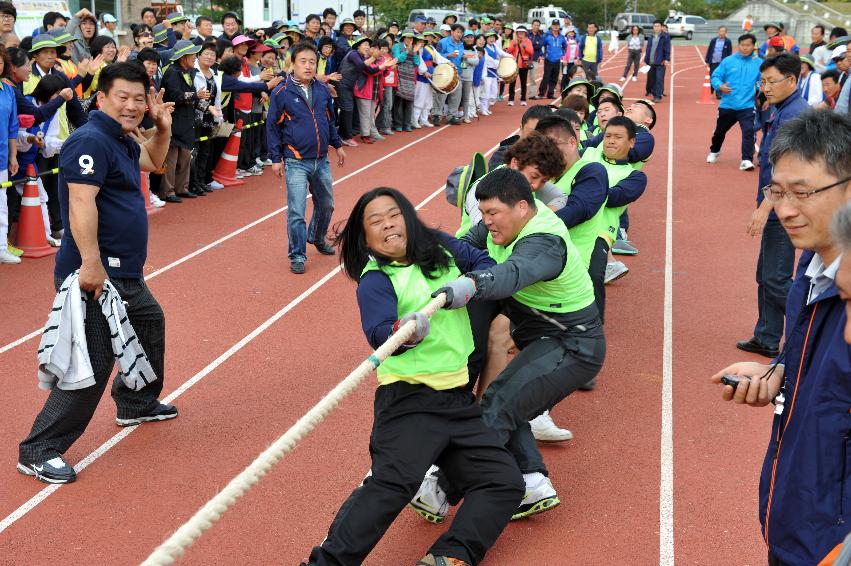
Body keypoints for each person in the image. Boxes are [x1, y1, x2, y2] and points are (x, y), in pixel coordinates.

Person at [301, 188, 523, 566]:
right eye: (375, 221)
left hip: (457, 399)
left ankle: (450, 555)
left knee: (503, 482)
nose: (387, 223)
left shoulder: (443, 248)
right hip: (410, 401)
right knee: (392, 486)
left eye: (393, 214)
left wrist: (472, 284)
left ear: (408, 217)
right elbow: (379, 331)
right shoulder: (376, 279)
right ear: (365, 238)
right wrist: (404, 330)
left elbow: (486, 264)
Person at [17, 62, 176, 484]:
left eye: (139, 98)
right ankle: (38, 448)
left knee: (148, 323)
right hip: (96, 274)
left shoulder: (121, 138)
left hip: (126, 274)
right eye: (122, 97)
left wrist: (161, 127)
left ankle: (135, 403)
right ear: (101, 97)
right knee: (94, 361)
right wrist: (91, 264)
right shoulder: (89, 139)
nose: (131, 105)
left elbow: (154, 163)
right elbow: (80, 204)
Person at [425, 166, 606, 523]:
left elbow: (511, 274)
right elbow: (463, 248)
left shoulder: (544, 241)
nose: (487, 221)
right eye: (483, 213)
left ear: (522, 207)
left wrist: (470, 286)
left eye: (493, 213)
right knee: (510, 401)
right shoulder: (498, 228)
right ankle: (531, 481)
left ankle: (443, 488)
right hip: (542, 338)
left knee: (498, 403)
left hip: (573, 344)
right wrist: (419, 238)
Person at [711, 109, 851, 566]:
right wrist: (781, 375)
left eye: (803, 193)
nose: (785, 209)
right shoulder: (809, 274)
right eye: (777, 191)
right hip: (797, 513)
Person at [738, 53, 810, 359]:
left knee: (777, 278)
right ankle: (766, 336)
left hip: (786, 208)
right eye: (762, 81)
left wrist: (765, 208)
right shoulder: (781, 109)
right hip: (776, 204)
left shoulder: (795, 115)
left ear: (791, 80)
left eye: (771, 81)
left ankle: (803, 339)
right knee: (766, 275)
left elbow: (788, 171)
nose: (765, 87)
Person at [267, 41, 346, 275]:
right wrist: (275, 158)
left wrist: (338, 145)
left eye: (312, 62)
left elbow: (328, 120)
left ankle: (317, 237)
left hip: (321, 160)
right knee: (296, 211)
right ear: (292, 64)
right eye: (303, 61)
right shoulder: (281, 92)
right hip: (295, 161)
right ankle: (297, 254)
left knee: (327, 204)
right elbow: (272, 127)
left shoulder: (322, 90)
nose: (308, 66)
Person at [707, 33, 762, 171]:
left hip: (747, 106)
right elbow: (716, 76)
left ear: (753, 46)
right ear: (738, 45)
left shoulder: (759, 63)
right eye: (742, 45)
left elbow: (763, 81)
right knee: (719, 131)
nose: (745, 48)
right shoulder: (728, 61)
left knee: (749, 132)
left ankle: (746, 160)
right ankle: (715, 150)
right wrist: (719, 86)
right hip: (728, 105)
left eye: (748, 45)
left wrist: (762, 95)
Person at [0, 43, 19, 265]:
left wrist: (14, 155)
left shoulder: (8, 90)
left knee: (1, 203)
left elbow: (13, 127)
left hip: (3, 157)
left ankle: (2, 247)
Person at [436, 24, 465, 123]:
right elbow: (436, 56)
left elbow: (461, 58)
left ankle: (451, 116)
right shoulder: (443, 42)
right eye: (457, 32)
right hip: (444, 73)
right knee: (442, 95)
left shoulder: (461, 44)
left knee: (457, 95)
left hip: (457, 73)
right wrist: (448, 55)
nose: (459, 34)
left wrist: (464, 59)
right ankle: (437, 115)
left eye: (461, 33)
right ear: (452, 32)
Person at [534, 20, 565, 100]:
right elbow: (541, 45)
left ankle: (550, 94)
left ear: (559, 26)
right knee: (546, 77)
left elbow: (565, 46)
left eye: (557, 25)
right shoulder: (546, 36)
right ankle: (541, 93)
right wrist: (543, 55)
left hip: (557, 60)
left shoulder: (561, 37)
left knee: (554, 78)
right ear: (551, 26)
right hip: (549, 59)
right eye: (554, 25)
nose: (555, 26)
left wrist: (562, 54)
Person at [480, 31, 509, 115]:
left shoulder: (494, 46)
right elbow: (488, 60)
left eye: (493, 37)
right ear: (486, 39)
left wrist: (510, 56)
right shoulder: (484, 48)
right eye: (489, 37)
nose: (492, 39)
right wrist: (497, 62)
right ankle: (483, 108)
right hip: (487, 72)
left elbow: (501, 53)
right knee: (486, 91)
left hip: (494, 72)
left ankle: (486, 107)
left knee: (494, 93)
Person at [505, 25, 533, 106]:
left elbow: (531, 52)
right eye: (519, 32)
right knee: (512, 82)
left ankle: (523, 99)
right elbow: (509, 51)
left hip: (524, 65)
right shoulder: (514, 41)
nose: (521, 34)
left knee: (523, 83)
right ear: (516, 33)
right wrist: (514, 45)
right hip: (514, 65)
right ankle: (511, 99)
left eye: (522, 32)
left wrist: (525, 46)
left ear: (525, 33)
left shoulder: (528, 41)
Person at [644, 20, 670, 103]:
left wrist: (666, 59)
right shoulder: (651, 37)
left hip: (660, 62)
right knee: (652, 79)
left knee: (659, 79)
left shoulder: (665, 37)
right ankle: (654, 94)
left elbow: (667, 49)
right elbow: (648, 49)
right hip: (651, 62)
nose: (656, 28)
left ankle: (658, 96)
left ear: (661, 27)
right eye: (655, 26)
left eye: (658, 26)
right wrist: (646, 59)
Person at [705, 26, 732, 96]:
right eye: (720, 31)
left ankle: (718, 93)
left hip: (722, 63)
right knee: (712, 76)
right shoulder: (714, 40)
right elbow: (709, 50)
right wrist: (707, 61)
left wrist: (728, 62)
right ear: (718, 32)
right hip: (713, 62)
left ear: (726, 33)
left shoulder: (728, 41)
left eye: (723, 31)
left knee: (721, 77)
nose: (721, 33)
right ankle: (711, 89)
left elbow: (729, 53)